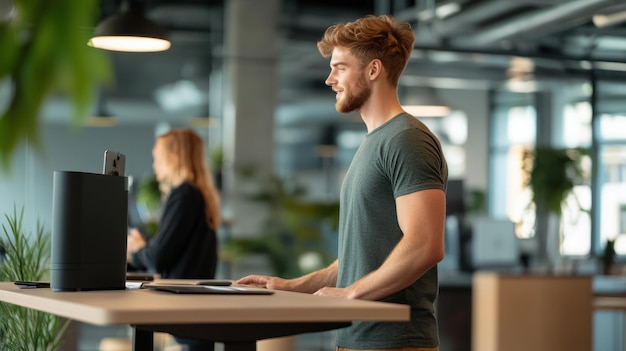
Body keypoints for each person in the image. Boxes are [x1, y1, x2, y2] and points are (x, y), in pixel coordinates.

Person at [237, 14, 448, 351]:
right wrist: (291, 286)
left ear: (373, 70)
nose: (329, 79)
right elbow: (356, 261)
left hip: (394, 340)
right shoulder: (374, 142)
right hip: (359, 337)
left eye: (340, 67)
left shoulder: (407, 140)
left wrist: (351, 293)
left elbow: (425, 244)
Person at [127, 128, 221, 351]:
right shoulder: (197, 194)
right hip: (193, 307)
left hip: (184, 305)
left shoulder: (184, 194)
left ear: (173, 156)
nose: (154, 165)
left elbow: (159, 258)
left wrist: (136, 249)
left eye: (157, 158)